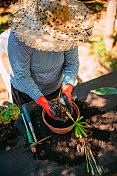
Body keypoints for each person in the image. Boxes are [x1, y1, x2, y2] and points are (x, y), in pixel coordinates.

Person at [8, 0, 93, 120]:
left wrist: (67, 89)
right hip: (26, 93)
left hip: (55, 88)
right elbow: (22, 76)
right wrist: (43, 102)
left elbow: (72, 62)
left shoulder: (68, 32)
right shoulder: (19, 39)